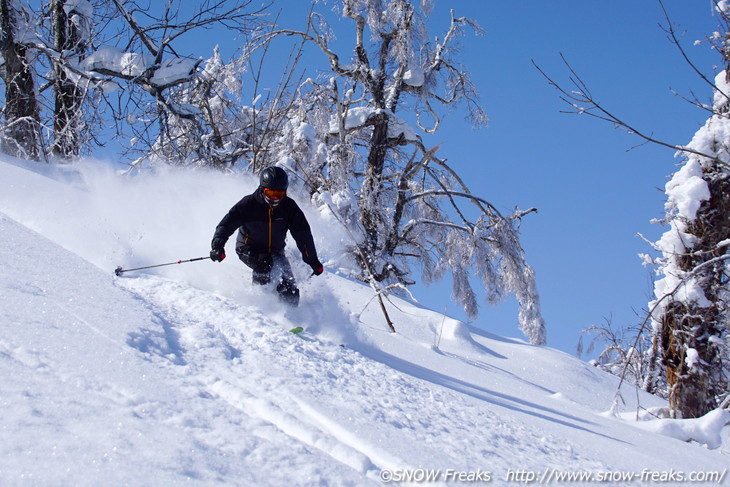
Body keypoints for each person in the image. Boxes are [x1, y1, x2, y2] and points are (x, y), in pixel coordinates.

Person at [210, 166, 323, 306]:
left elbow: (303, 235)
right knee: (264, 263)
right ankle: (261, 306)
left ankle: (292, 318)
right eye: (271, 193)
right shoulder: (249, 205)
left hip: (276, 251)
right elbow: (225, 225)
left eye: (280, 194)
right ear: (263, 189)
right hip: (248, 248)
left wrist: (312, 260)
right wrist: (218, 246)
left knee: (290, 286)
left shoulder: (289, 208)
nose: (275, 198)